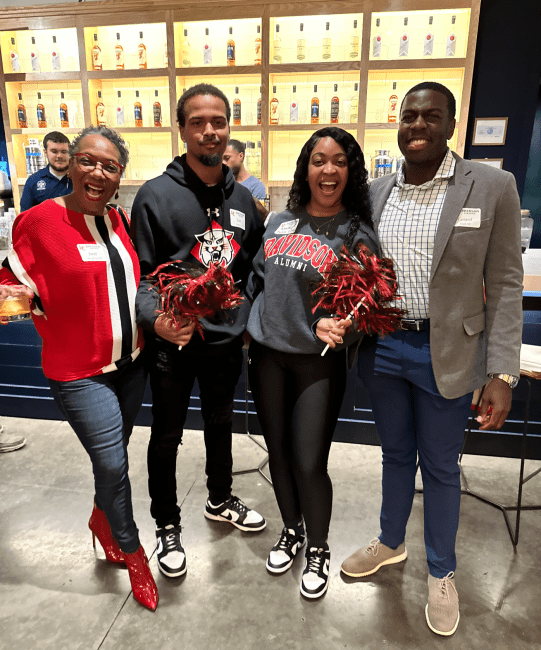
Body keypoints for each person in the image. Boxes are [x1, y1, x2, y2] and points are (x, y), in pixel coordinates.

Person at [340, 82, 523, 635]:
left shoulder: (491, 186)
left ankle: (441, 572)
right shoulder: (375, 191)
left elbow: (507, 282)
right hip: (384, 346)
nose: (417, 125)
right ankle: (391, 541)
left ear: (450, 124)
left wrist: (501, 372)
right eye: (409, 116)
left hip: (450, 351)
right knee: (395, 456)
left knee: (441, 467)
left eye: (431, 116)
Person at [0, 125, 158, 611]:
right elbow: (11, 280)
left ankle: (99, 516)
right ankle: (132, 552)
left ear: (119, 177)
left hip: (131, 364)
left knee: (110, 463)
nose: (98, 172)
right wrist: (23, 301)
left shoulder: (120, 221)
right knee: (114, 463)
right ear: (70, 163)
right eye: (88, 160)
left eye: (110, 166)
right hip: (78, 373)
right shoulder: (39, 222)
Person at [131, 83, 266, 580]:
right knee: (165, 435)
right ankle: (166, 521)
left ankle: (219, 497)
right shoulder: (155, 195)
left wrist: (246, 317)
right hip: (175, 341)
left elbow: (251, 269)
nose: (209, 130)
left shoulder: (244, 200)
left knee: (220, 426)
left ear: (229, 126)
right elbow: (142, 276)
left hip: (225, 343)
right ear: (183, 129)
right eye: (197, 122)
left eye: (218, 121)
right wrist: (158, 321)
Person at [246, 127, 379, 599]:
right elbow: (257, 281)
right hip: (266, 357)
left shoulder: (356, 231)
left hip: (317, 364)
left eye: (339, 161)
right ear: (306, 167)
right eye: (319, 160)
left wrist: (344, 326)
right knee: (277, 454)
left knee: (308, 461)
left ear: (350, 171)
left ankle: (318, 546)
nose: (328, 170)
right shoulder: (280, 221)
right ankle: (291, 529)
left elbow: (371, 303)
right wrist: (247, 323)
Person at [20, 132, 72, 212]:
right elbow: (25, 218)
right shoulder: (33, 181)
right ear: (45, 153)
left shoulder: (80, 179)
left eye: (64, 151)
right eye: (54, 151)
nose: (59, 156)